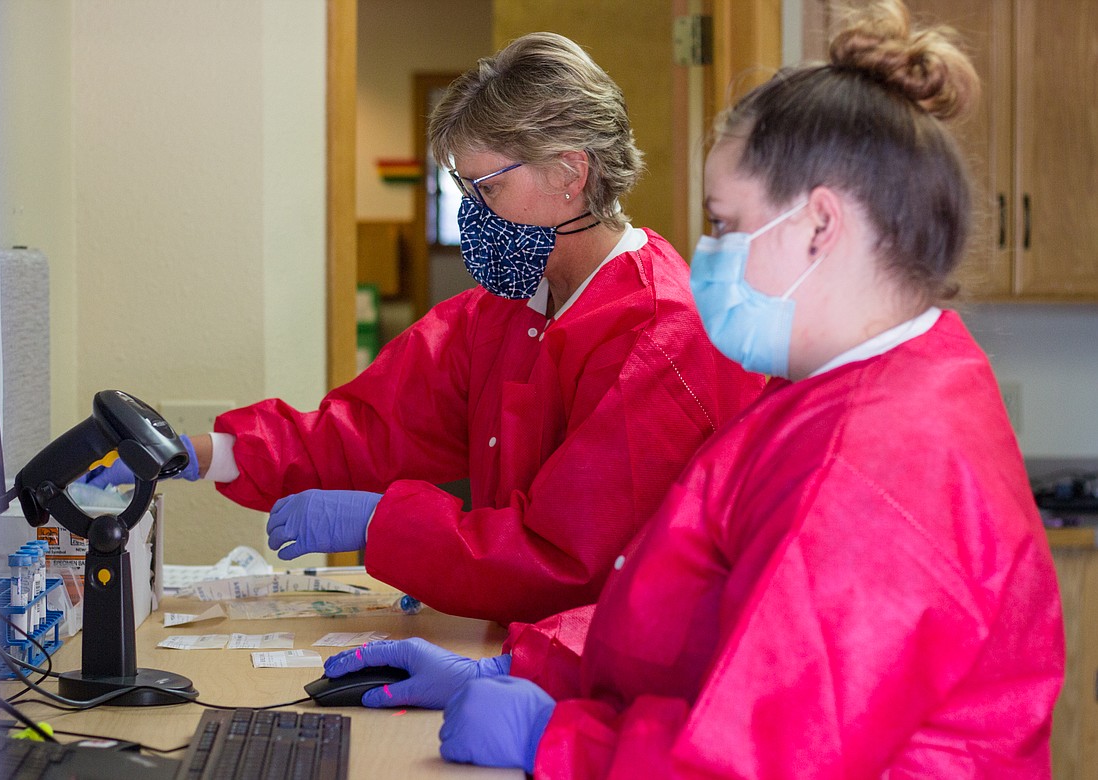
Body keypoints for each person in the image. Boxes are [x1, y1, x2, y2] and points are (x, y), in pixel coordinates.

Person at [320, 2, 1065, 775]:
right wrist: (528, 669)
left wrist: (562, 742)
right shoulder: (846, 389)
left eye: (723, 222)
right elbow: (698, 621)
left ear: (820, 226)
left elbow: (762, 758)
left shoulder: (871, 464)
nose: (705, 253)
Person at [85, 32, 762, 625]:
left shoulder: (659, 335)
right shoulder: (508, 309)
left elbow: (568, 559)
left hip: (605, 682)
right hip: (526, 647)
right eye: (465, 191)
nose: (472, 215)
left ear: (570, 171)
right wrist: (210, 452)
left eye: (487, 189)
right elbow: (374, 430)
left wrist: (387, 526)